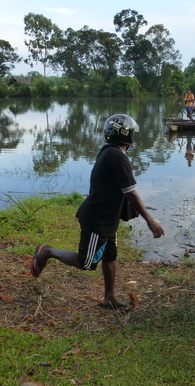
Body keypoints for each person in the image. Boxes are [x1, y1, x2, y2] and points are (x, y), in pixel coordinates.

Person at [30, 114, 165, 309]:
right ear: (128, 135)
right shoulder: (117, 156)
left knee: (110, 256)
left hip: (108, 218)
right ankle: (47, 251)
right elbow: (131, 194)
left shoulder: (110, 151)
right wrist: (150, 220)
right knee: (86, 262)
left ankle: (109, 297)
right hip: (98, 219)